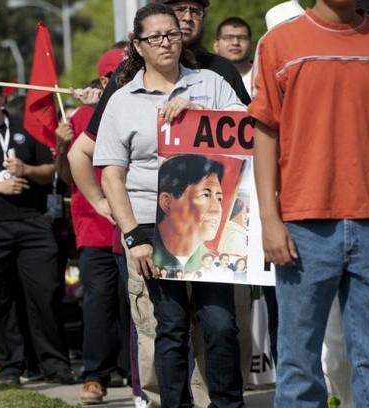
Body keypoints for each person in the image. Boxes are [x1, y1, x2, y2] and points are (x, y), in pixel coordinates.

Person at [93, 4, 246, 407]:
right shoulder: (122, 100)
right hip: (150, 227)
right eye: (156, 37)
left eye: (173, 34)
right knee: (171, 328)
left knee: (220, 325)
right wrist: (133, 237)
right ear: (138, 46)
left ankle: (229, 403)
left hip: (213, 225)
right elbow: (111, 175)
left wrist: (203, 115)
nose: (167, 42)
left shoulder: (210, 83)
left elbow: (248, 129)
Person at [250, 0, 369, 406]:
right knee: (299, 362)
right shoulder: (280, 43)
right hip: (303, 224)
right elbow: (265, 132)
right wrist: (270, 219)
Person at [0, 71, 75, 386]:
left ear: (2, 96)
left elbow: (50, 173)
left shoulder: (26, 126)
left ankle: (56, 364)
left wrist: (27, 170)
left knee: (45, 294)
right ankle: (9, 365)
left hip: (32, 223)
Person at [55, 47, 126, 405]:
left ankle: (136, 369)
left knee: (135, 302)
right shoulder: (82, 117)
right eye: (119, 72)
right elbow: (67, 175)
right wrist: (61, 144)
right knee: (98, 301)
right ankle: (95, 375)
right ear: (102, 80)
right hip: (95, 225)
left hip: (136, 223)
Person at [153, 155, 225, 276]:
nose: (216, 209)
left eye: (219, 198)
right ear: (167, 203)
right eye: (205, 195)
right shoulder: (148, 254)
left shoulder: (215, 267)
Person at [213, 17, 253, 96]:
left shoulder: (263, 76)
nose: (235, 43)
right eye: (228, 38)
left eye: (242, 38)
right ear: (216, 45)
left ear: (251, 44)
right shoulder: (207, 77)